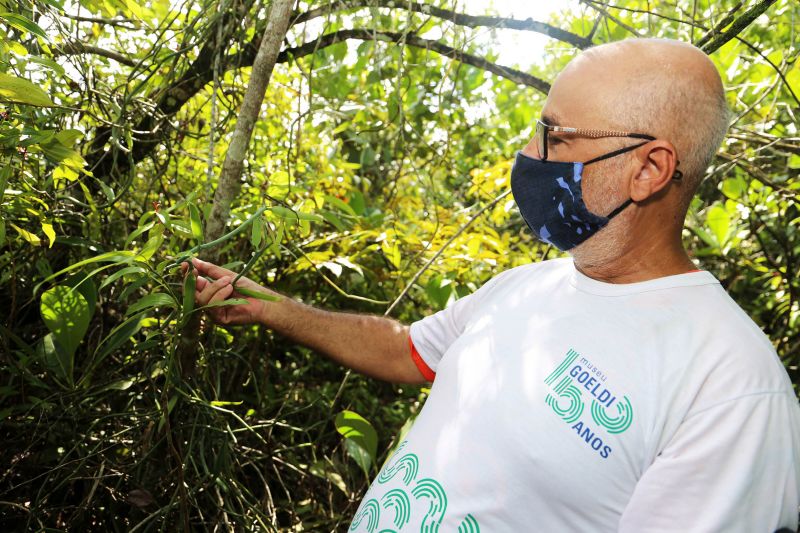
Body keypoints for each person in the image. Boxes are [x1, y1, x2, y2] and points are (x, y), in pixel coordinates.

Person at [186, 38, 800, 531]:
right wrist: (271, 308)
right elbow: (407, 349)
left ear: (648, 169)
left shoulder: (731, 389)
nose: (528, 151)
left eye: (555, 136)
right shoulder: (526, 287)